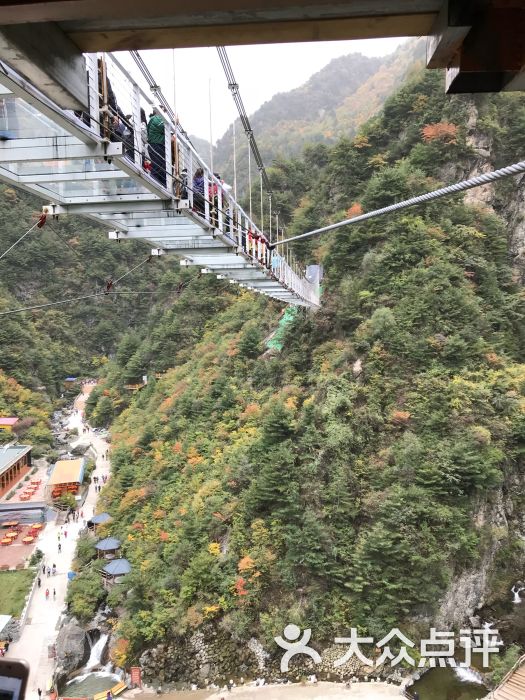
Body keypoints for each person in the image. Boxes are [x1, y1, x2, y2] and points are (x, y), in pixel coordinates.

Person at [147, 109, 166, 187]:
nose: (165, 115)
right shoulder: (156, 119)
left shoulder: (154, 119)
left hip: (156, 145)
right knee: (157, 167)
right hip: (156, 145)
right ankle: (156, 185)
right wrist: (173, 123)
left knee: (160, 167)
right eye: (164, 112)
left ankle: (162, 185)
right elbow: (163, 127)